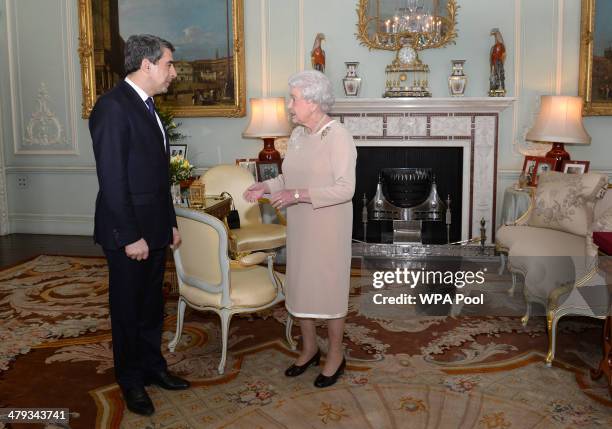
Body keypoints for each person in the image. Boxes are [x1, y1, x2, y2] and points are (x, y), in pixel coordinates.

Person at [89, 34, 190, 417]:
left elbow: (156, 177)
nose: (174, 73)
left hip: (155, 228)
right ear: (146, 65)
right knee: (128, 309)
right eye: (169, 64)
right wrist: (131, 235)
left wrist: (171, 223)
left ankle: (152, 368)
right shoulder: (113, 108)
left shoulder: (147, 106)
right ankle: (130, 380)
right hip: (127, 232)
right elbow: (113, 181)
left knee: (151, 306)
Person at [243, 70, 356, 388]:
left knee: (330, 290)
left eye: (294, 99)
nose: (290, 106)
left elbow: (346, 189)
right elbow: (289, 179)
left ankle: (335, 353)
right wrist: (264, 186)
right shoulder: (297, 136)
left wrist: (297, 195)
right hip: (301, 226)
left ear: (314, 101)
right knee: (302, 287)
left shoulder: (338, 136)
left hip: (328, 226)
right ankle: (309, 348)